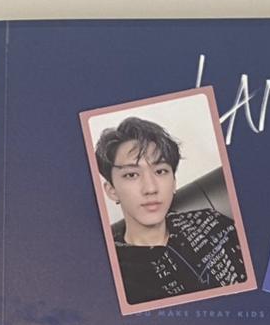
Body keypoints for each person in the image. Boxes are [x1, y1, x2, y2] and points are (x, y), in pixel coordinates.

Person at [93, 116, 247, 304]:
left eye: (160, 171)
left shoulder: (210, 221)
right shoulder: (110, 270)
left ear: (173, 182)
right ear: (112, 191)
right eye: (131, 175)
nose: (150, 188)